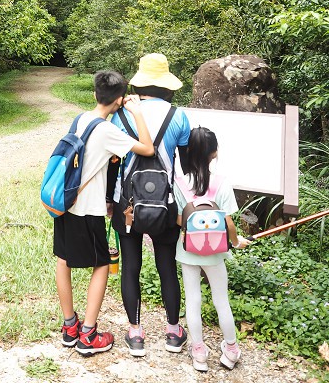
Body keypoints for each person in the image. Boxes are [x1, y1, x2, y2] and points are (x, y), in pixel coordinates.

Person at [54, 69, 155, 356]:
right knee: (101, 264)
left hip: (65, 203)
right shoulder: (108, 131)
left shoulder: (80, 119)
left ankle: (69, 327)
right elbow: (147, 149)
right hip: (89, 210)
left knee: (63, 261)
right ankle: (88, 335)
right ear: (120, 99)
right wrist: (136, 112)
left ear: (94, 94)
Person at [110, 53, 191, 357]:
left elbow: (112, 164)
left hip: (127, 203)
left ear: (141, 82)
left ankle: (135, 333)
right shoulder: (179, 116)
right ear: (167, 84)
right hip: (166, 205)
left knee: (131, 266)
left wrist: (110, 200)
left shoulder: (121, 115)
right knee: (166, 265)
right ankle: (172, 332)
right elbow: (182, 168)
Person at [174, 126, 250, 371]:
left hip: (188, 250)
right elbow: (227, 222)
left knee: (192, 300)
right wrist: (236, 241)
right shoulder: (221, 183)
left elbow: (179, 220)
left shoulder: (181, 183)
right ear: (214, 153)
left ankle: (198, 353)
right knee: (221, 300)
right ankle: (230, 350)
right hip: (215, 251)